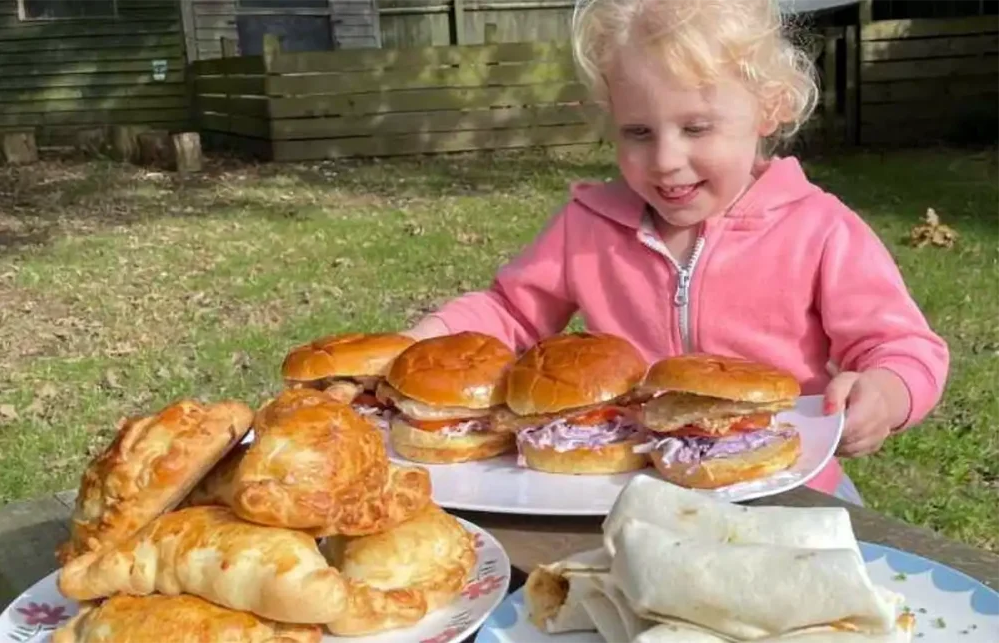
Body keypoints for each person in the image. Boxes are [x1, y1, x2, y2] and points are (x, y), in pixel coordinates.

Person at [402, 0, 949, 505]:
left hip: (786, 486)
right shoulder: (589, 226)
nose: (665, 159)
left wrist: (887, 392)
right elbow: (510, 312)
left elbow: (900, 344)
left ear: (769, 107)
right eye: (637, 132)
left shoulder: (819, 230)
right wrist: (422, 341)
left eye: (696, 127)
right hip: (629, 489)